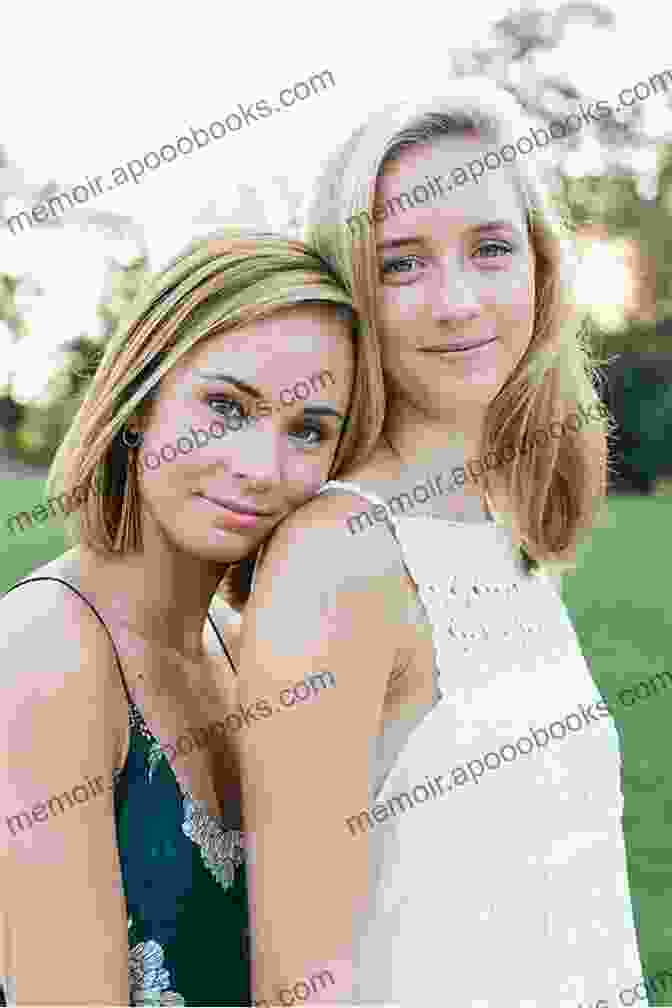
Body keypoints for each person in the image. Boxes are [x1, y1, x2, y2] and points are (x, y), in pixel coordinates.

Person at [232, 82, 648, 1006]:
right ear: (351, 291)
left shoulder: (496, 517)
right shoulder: (339, 558)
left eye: (490, 250)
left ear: (540, 269)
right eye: (402, 264)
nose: (456, 302)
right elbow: (302, 984)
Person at [0, 230, 378, 1006]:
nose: (259, 467)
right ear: (142, 401)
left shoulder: (243, 649)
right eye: (226, 406)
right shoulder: (50, 650)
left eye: (307, 428)